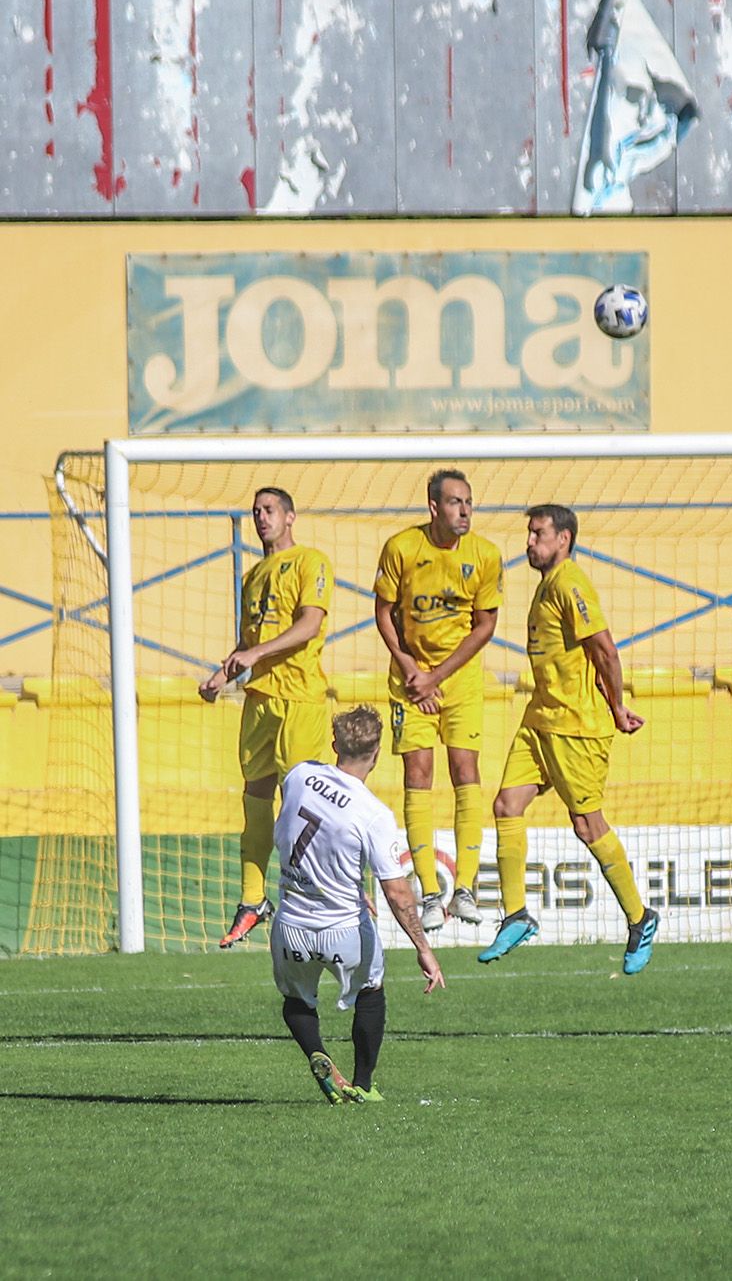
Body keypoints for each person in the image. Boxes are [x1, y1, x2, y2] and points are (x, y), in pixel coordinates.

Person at [480, 505, 656, 973]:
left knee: (587, 826)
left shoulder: (570, 584)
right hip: (540, 720)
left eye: (538, 534)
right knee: (505, 806)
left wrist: (617, 708)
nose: (529, 542)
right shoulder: (547, 586)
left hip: (577, 727)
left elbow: (605, 650)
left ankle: (640, 918)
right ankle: (516, 914)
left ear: (564, 539)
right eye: (529, 534)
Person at [269, 706, 444, 1103]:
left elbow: (300, 826)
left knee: (297, 1001)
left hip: (291, 921)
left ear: (335, 745)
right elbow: (397, 893)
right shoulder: (374, 814)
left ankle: (320, 1056)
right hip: (344, 928)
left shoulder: (300, 775)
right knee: (371, 991)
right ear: (378, 754)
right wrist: (424, 949)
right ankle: (364, 1084)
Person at [372, 468, 503, 932]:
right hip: (410, 679)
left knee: (466, 768)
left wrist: (437, 678)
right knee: (418, 773)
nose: (464, 511)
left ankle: (465, 887)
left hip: (460, 681)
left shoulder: (485, 555)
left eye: (469, 502)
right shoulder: (402, 548)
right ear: (434, 508)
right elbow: (383, 613)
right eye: (454, 503)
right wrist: (412, 670)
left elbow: (484, 625)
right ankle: (431, 890)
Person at [201, 487, 333, 950]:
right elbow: (247, 645)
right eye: (255, 511)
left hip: (300, 698)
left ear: (290, 516)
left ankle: (327, 892)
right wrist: (221, 676)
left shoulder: (311, 562)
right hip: (260, 700)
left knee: (302, 803)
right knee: (255, 798)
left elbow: (310, 625)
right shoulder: (253, 575)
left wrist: (255, 652)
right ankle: (253, 900)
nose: (261, 517)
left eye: (269, 510)